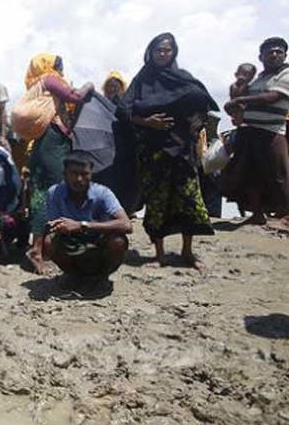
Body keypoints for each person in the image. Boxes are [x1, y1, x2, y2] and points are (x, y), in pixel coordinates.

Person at [121, 32, 218, 269]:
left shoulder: (183, 78)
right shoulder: (142, 80)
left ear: (174, 52)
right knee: (157, 202)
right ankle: (159, 254)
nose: (163, 54)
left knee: (190, 200)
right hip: (154, 151)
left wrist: (196, 122)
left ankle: (187, 252)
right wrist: (147, 122)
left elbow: (203, 101)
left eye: (167, 50)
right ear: (150, 52)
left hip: (183, 150)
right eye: (158, 50)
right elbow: (124, 109)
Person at [22, 54, 94, 275]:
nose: (60, 67)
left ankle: (42, 247)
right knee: (49, 194)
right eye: (58, 64)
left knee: (43, 194)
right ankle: (37, 250)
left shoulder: (39, 87)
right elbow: (75, 96)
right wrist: (89, 85)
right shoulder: (50, 80)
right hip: (52, 143)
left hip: (47, 143)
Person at [221, 37, 289, 224]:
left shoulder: (285, 74)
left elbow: (272, 97)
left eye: (278, 52)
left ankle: (286, 214)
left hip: (271, 131)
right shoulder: (260, 77)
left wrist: (241, 101)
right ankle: (257, 214)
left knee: (278, 174)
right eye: (270, 52)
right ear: (261, 56)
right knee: (250, 174)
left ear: (284, 55)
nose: (274, 55)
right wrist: (239, 90)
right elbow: (238, 96)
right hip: (249, 130)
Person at [44, 152, 132, 290]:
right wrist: (60, 227)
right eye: (73, 173)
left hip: (99, 241)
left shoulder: (103, 193)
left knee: (118, 242)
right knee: (49, 241)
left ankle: (102, 277)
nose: (79, 179)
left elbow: (126, 225)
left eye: (84, 174)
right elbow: (52, 225)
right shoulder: (54, 193)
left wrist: (82, 225)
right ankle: (73, 275)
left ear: (91, 175)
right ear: (64, 174)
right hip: (71, 242)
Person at [94, 71, 139, 214]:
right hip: (104, 150)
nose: (113, 89)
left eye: (116, 86)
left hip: (124, 151)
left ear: (122, 87)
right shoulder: (99, 104)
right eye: (110, 86)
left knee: (124, 184)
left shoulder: (127, 103)